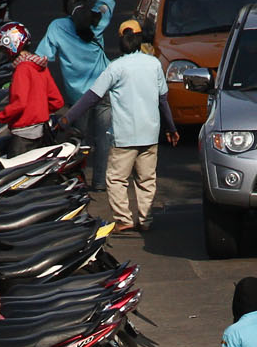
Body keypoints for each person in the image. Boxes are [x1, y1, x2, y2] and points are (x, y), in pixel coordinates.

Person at [64, 20, 175, 234]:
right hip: (150, 134)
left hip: (124, 136)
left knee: (116, 178)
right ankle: (145, 218)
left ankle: (124, 219)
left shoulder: (115, 67)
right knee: (146, 179)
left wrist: (67, 118)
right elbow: (163, 100)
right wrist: (171, 128)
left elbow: (91, 97)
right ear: (140, 39)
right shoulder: (153, 64)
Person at [35, 0, 114, 186]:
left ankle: (77, 181)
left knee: (79, 139)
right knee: (104, 138)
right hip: (103, 90)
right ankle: (100, 183)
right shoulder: (98, 20)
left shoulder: (57, 27)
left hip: (78, 97)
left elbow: (42, 58)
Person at [0, 21, 61, 144]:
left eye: (4, 51)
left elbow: (19, 103)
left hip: (23, 137)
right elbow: (57, 101)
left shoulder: (22, 69)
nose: (5, 55)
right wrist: (38, 112)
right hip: (42, 132)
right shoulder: (39, 65)